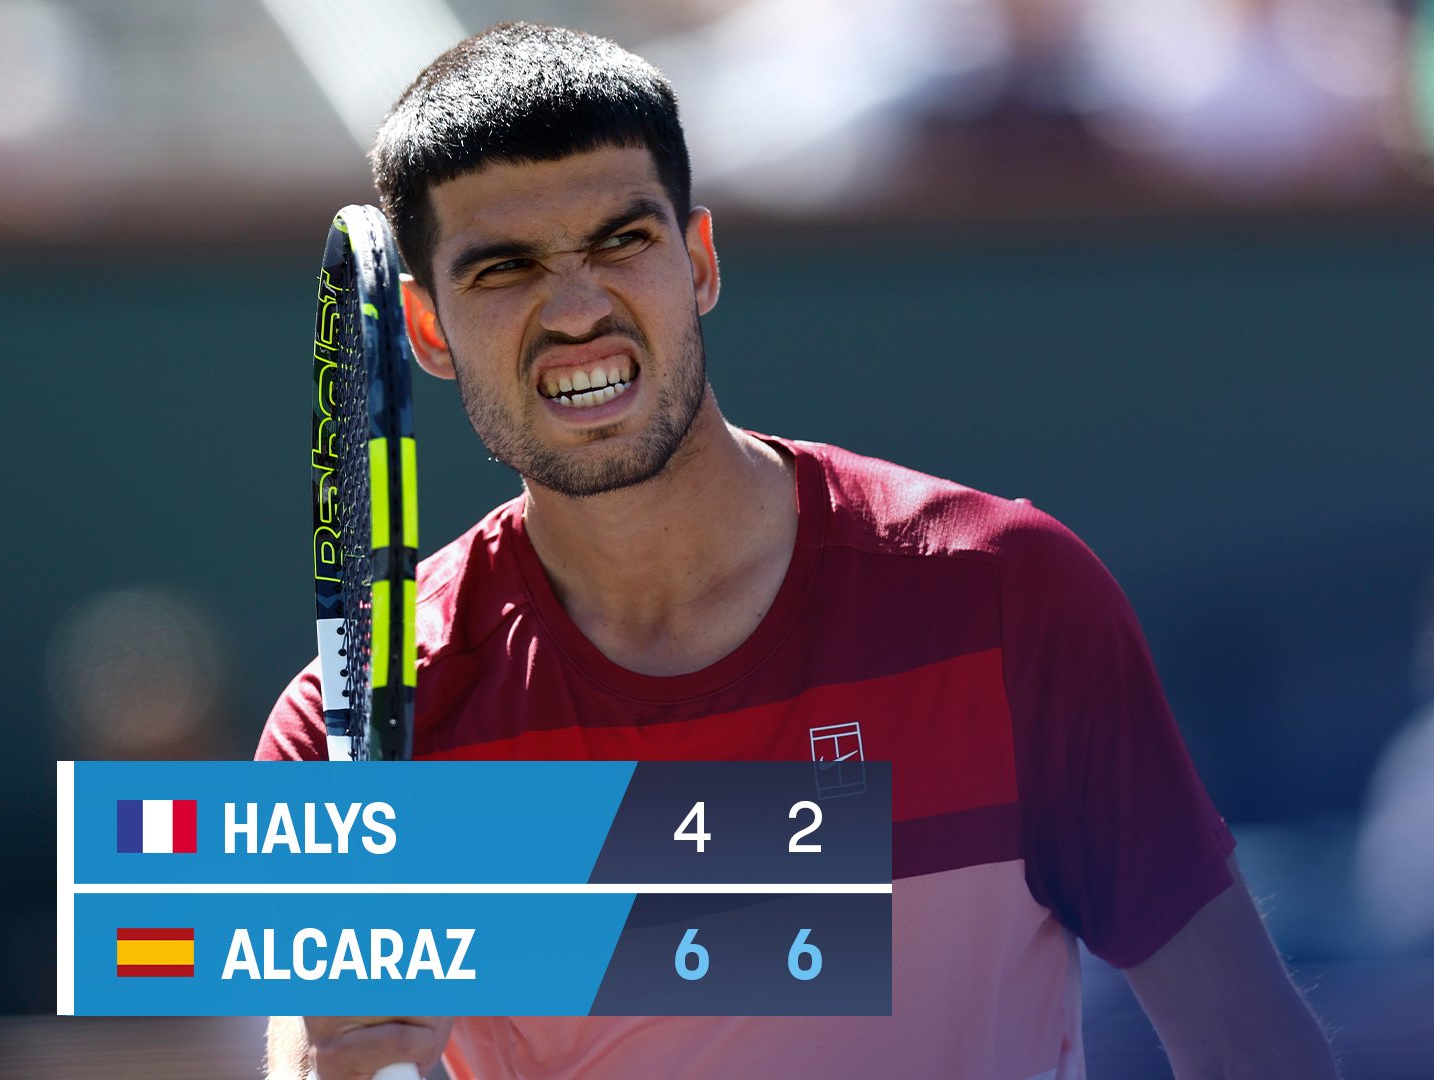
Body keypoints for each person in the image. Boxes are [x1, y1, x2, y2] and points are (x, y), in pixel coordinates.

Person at [256, 22, 1339, 1080]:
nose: (576, 308)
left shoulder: (1014, 600)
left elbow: (1252, 1047)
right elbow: (277, 1035)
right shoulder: (331, 731)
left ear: (700, 260)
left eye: (622, 241)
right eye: (504, 269)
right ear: (429, 329)